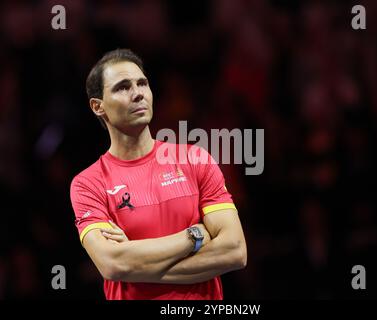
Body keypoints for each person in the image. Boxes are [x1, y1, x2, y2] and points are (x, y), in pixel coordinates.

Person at [69, 48, 247, 300]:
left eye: (142, 83)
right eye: (123, 87)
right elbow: (112, 265)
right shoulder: (88, 184)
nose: (138, 93)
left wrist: (135, 263)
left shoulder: (194, 159)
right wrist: (193, 237)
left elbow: (235, 251)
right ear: (98, 106)